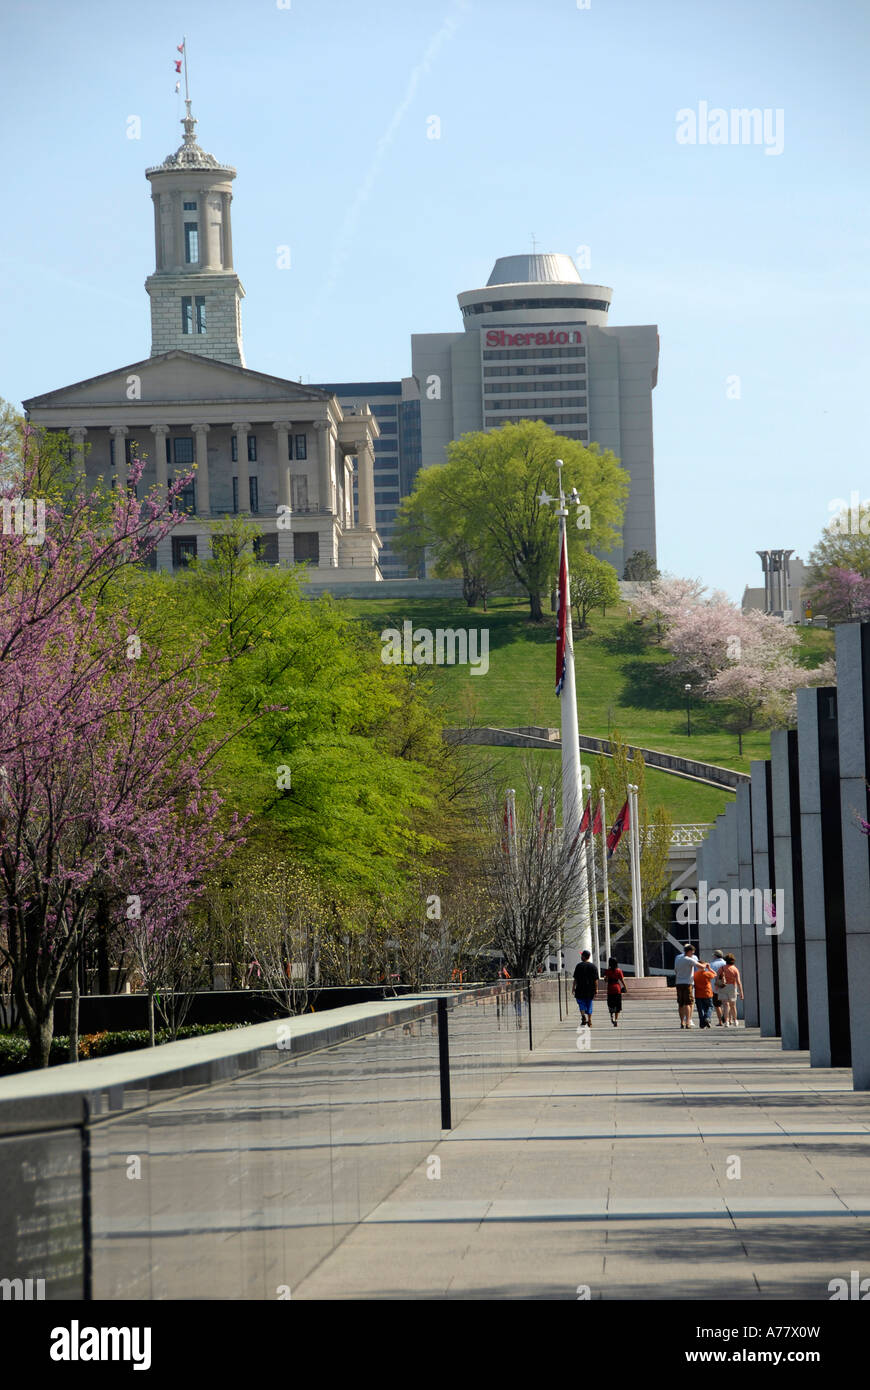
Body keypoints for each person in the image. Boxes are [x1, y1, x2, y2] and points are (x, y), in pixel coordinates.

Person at [673, 943, 698, 1028]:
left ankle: (682, 1022)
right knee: (688, 1003)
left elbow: (675, 970)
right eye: (693, 952)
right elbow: (699, 967)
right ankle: (688, 1022)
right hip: (688, 983)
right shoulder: (691, 959)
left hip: (679, 982)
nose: (693, 954)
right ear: (689, 951)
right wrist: (706, 965)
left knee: (680, 1003)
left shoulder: (677, 958)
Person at [573, 950, 599, 1028]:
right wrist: (596, 989)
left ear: (584, 956)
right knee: (589, 1004)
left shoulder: (579, 966)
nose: (581, 957)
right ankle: (589, 1020)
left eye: (582, 955)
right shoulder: (593, 966)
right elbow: (596, 979)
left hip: (580, 988)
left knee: (581, 1003)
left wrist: (573, 987)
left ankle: (583, 1015)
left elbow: (576, 978)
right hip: (590, 989)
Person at [717, 954, 743, 1026]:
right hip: (732, 986)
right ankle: (735, 1020)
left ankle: (727, 1022)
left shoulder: (721, 968)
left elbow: (717, 979)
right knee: (733, 1005)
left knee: (725, 1005)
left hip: (723, 987)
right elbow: (738, 982)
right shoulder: (735, 969)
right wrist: (741, 993)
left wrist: (717, 987)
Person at [692, 958, 717, 1028]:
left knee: (700, 1009)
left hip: (698, 994)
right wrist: (709, 968)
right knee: (710, 1006)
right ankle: (707, 1017)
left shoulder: (695, 974)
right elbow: (715, 974)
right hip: (707, 993)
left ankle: (702, 1023)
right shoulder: (707, 973)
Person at [604, 957, 626, 1027]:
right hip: (617, 989)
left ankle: (611, 1017)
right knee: (617, 1006)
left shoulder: (607, 971)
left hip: (610, 989)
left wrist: (606, 978)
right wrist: (625, 987)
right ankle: (616, 1020)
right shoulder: (619, 971)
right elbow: (622, 980)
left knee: (611, 1004)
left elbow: (606, 980)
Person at [709, 948, 728, 1025]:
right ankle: (727, 1020)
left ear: (716, 956)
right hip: (725, 986)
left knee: (717, 1005)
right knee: (726, 1004)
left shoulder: (712, 964)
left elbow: (709, 975)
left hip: (715, 987)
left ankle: (720, 1021)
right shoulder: (725, 963)